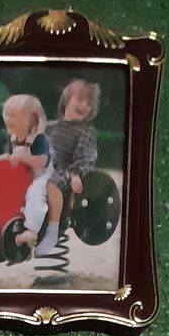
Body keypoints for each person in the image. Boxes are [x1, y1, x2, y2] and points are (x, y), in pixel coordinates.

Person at [42, 79, 101, 255]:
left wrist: (76, 174)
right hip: (43, 170)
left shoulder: (85, 133)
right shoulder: (49, 127)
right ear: (67, 99)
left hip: (64, 175)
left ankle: (52, 229)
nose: (84, 105)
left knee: (51, 183)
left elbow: (85, 160)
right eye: (80, 99)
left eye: (89, 103)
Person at [0, 94, 53, 255]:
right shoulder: (14, 138)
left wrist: (24, 158)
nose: (8, 119)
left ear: (31, 120)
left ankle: (32, 230)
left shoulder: (38, 139)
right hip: (23, 177)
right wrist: (6, 158)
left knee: (35, 193)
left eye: (14, 115)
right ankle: (7, 222)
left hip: (41, 176)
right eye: (7, 114)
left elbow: (42, 162)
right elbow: (13, 157)